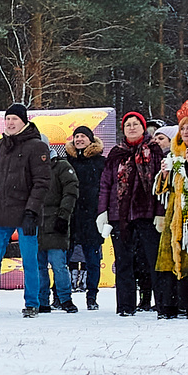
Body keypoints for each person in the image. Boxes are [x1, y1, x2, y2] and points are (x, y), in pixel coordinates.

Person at [0, 105, 52, 318]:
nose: (9, 122)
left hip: (26, 213)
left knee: (29, 261)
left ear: (24, 121)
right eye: (7, 118)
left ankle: (32, 303)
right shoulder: (1, 145)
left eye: (14, 119)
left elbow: (42, 182)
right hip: (1, 211)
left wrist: (32, 211)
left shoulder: (36, 146)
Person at [98, 110, 163, 316]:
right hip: (120, 216)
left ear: (143, 128)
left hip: (147, 214)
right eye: (128, 125)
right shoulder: (116, 153)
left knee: (153, 261)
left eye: (136, 124)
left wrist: (160, 212)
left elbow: (160, 184)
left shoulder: (154, 151)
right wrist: (102, 212)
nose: (132, 127)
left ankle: (162, 304)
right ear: (123, 129)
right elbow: (106, 184)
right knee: (124, 262)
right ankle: (125, 306)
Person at [153, 104, 188, 319]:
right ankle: (168, 305)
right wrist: (164, 175)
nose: (187, 132)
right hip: (175, 213)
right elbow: (163, 190)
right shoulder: (174, 155)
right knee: (169, 256)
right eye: (183, 128)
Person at [63, 125, 105, 310]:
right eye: (76, 136)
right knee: (63, 260)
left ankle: (92, 296)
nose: (79, 139)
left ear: (91, 139)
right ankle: (61, 295)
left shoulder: (101, 162)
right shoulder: (66, 162)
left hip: (93, 217)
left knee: (93, 260)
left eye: (83, 136)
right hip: (70, 216)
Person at [36, 136, 79, 313]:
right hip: (36, 222)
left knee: (58, 264)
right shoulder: (29, 169)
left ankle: (65, 299)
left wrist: (63, 217)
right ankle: (42, 300)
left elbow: (70, 191)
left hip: (55, 222)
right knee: (38, 266)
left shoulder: (61, 166)